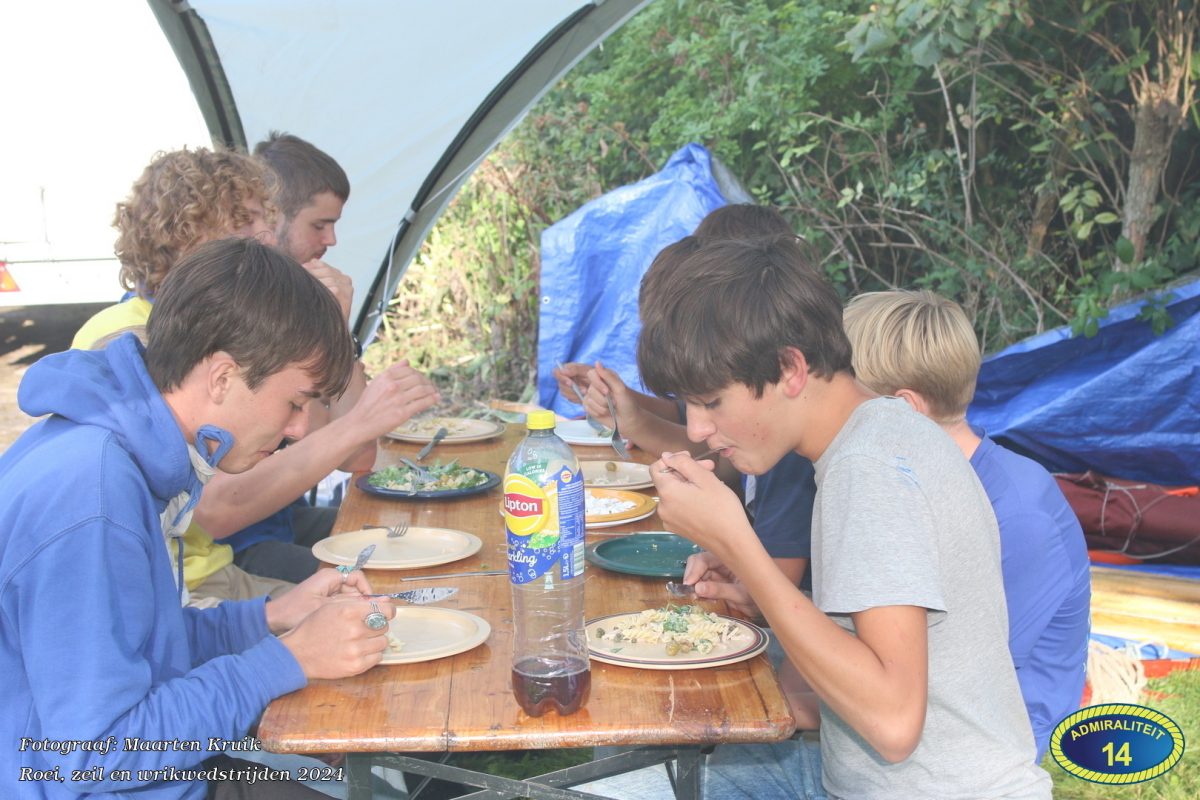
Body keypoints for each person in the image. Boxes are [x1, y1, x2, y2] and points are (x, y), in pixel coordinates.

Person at [629, 236, 1051, 797]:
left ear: (790, 369)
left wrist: (738, 544)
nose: (698, 429)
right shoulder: (879, 434)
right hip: (871, 777)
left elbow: (894, 725)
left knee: (631, 785)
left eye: (711, 402)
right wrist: (763, 595)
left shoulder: (867, 468)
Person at [1, 238, 397, 799]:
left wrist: (271, 618)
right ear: (222, 377)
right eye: (293, 403)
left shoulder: (125, 449)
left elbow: (141, 646)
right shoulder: (92, 497)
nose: (298, 429)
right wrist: (286, 660)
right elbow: (93, 754)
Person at [72, 146, 440, 599]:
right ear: (185, 232)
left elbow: (346, 452)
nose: (266, 238)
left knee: (399, 573)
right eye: (247, 221)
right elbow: (219, 508)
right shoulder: (129, 338)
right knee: (383, 599)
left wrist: (333, 336)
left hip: (212, 564)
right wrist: (361, 420)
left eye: (267, 221)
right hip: (192, 581)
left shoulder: (218, 326)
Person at [842, 289, 1090, 761]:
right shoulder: (910, 480)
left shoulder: (1019, 515)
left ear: (904, 408)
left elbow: (956, 679)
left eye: (849, 398)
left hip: (983, 746)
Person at [558, 204, 817, 588]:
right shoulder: (763, 414)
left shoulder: (791, 445)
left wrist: (724, 536)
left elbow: (776, 587)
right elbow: (697, 430)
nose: (698, 430)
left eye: (710, 401)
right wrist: (626, 406)